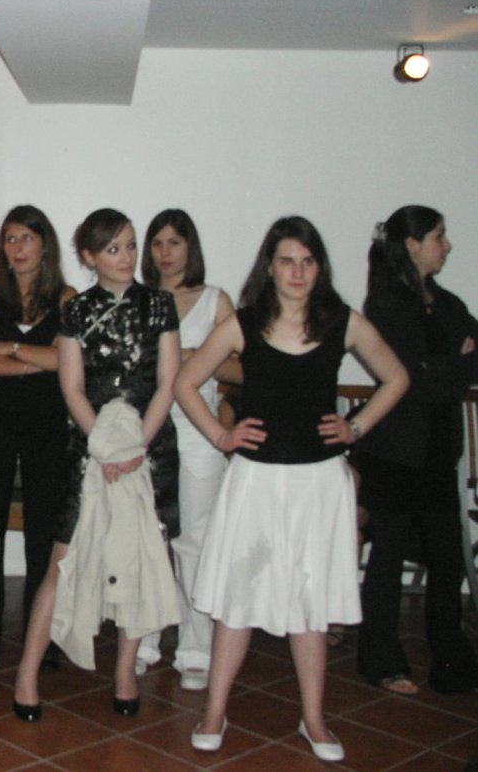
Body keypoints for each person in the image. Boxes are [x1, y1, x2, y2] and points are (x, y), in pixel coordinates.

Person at [178, 216, 408, 762]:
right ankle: (214, 712)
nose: (298, 272)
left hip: (318, 483)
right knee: (236, 602)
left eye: (307, 261)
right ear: (270, 267)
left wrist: (355, 427)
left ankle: (314, 720)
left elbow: (397, 378)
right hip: (256, 480)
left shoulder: (341, 322)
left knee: (310, 602)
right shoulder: (244, 323)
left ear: (319, 268)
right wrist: (221, 436)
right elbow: (185, 382)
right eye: (287, 261)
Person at [13, 208, 181, 721]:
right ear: (88, 257)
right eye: (112, 249)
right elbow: (72, 388)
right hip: (90, 450)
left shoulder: (160, 305)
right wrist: (108, 449)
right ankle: (26, 675)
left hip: (149, 450)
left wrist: (134, 450)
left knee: (139, 560)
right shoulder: (76, 310)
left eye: (130, 245)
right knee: (61, 563)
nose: (126, 257)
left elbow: (167, 383)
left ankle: (125, 672)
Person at [353, 205, 478, 695]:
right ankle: (382, 661)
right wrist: (454, 366)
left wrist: (440, 368)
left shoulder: (446, 303)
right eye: (439, 236)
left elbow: (448, 367)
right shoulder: (386, 305)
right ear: (411, 244)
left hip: (437, 452)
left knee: (446, 558)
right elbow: (410, 379)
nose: (447, 246)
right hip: (395, 451)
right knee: (387, 556)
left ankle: (451, 661)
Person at [0, 205, 75, 674]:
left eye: (27, 238)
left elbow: (68, 362)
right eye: (10, 239)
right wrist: (35, 362)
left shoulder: (67, 298)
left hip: (48, 428)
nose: (18, 248)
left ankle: (41, 640)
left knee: (42, 537)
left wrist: (5, 348)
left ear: (45, 244)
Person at [137, 208, 238, 690]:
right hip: (148, 431)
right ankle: (145, 640)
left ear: (190, 248)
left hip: (199, 434)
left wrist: (196, 359)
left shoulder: (215, 300)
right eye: (157, 243)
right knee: (149, 541)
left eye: (174, 242)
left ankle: (197, 647)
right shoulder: (138, 301)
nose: (165, 252)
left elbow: (243, 367)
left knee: (195, 541)